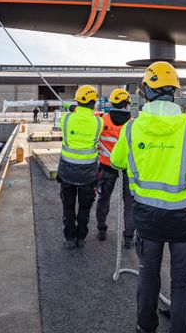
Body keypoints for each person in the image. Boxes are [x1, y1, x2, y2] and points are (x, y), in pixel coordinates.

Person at [111, 61, 186, 333]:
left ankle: (145, 326)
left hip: (148, 221)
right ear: (174, 92)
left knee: (148, 274)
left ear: (145, 92)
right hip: (185, 222)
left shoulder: (130, 129)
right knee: (184, 280)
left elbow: (116, 161)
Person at [58, 85, 103, 250]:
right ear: (94, 103)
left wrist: (72, 108)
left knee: (68, 207)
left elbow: (72, 115)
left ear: (77, 100)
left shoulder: (67, 119)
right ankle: (81, 238)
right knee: (85, 207)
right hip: (88, 174)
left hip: (67, 172)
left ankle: (69, 238)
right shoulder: (99, 122)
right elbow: (87, 115)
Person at [95, 88, 134, 248]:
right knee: (129, 203)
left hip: (106, 165)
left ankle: (102, 229)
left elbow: (83, 113)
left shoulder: (101, 119)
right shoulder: (133, 124)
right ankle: (129, 237)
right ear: (127, 104)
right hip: (128, 168)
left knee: (104, 198)